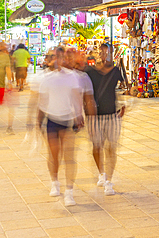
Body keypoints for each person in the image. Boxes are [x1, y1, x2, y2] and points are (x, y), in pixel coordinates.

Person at [36, 46, 94, 207]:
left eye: (60, 57)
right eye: (55, 57)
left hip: (68, 120)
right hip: (52, 120)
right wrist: (38, 121)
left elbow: (76, 96)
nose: (58, 61)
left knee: (69, 156)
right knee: (54, 155)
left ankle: (69, 191)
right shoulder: (46, 78)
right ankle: (54, 181)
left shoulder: (72, 77)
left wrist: (79, 115)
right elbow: (42, 101)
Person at [85, 43, 126, 195]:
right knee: (97, 146)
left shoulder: (116, 71)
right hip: (95, 116)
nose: (105, 55)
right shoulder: (90, 71)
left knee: (111, 147)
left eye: (108, 52)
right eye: (102, 52)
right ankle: (101, 173)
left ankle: (108, 180)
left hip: (112, 114)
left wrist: (123, 104)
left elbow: (122, 88)